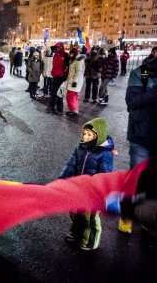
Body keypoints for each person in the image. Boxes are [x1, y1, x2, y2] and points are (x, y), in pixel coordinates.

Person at [59, 117, 115, 251]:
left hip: (93, 192)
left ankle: (90, 240)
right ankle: (76, 231)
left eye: (89, 134)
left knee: (89, 218)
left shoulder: (105, 154)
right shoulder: (81, 148)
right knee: (75, 211)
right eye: (84, 133)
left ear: (99, 136)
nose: (85, 136)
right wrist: (63, 178)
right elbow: (71, 164)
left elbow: (105, 175)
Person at [116, 54, 157, 234]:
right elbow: (132, 101)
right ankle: (126, 215)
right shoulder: (140, 74)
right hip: (140, 136)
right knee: (135, 179)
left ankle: (149, 218)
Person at [47, 42, 68, 113]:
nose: (56, 49)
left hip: (61, 77)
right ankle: (56, 107)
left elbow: (68, 67)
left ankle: (56, 106)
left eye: (58, 47)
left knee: (58, 92)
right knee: (54, 91)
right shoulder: (55, 54)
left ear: (61, 47)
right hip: (55, 76)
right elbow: (54, 65)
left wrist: (65, 76)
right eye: (56, 47)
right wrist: (52, 72)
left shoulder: (65, 55)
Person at [65, 47, 86, 116]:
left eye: (72, 54)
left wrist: (75, 82)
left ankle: (74, 111)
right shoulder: (73, 60)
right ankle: (73, 110)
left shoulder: (78, 61)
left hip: (75, 82)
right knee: (72, 96)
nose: (71, 55)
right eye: (70, 54)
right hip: (72, 81)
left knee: (71, 96)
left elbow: (78, 72)